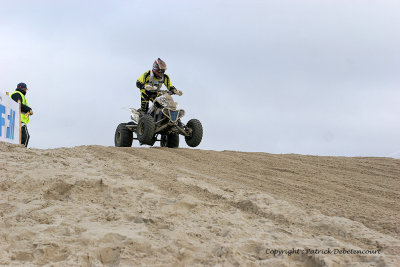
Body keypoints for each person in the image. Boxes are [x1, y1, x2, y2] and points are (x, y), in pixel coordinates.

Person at [10, 82, 33, 147]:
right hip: (19, 120)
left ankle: (20, 151)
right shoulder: (17, 94)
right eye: (25, 89)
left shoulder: (20, 95)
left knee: (21, 137)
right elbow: (18, 104)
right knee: (25, 136)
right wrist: (28, 109)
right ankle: (22, 152)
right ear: (21, 88)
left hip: (19, 120)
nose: (26, 91)